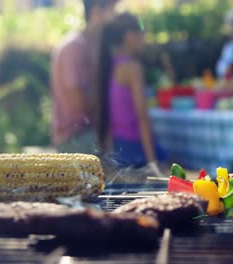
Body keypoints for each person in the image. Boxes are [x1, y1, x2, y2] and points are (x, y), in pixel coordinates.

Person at [98, 13, 166, 169]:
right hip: (135, 149)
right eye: (142, 31)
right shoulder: (132, 68)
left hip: (119, 148)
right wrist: (152, 162)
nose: (145, 37)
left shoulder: (110, 65)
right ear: (129, 35)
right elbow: (142, 117)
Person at [51, 0, 118, 154]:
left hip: (90, 134)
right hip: (75, 138)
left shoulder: (91, 44)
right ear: (96, 11)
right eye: (112, 10)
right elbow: (79, 103)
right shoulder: (74, 47)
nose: (115, 17)